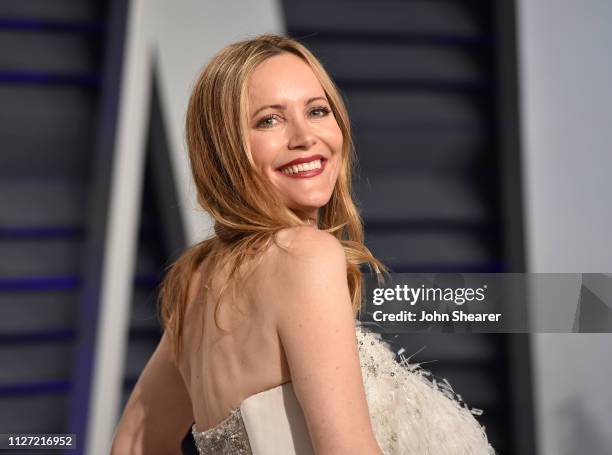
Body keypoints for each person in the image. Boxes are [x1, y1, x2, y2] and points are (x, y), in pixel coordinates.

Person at [111, 34, 495, 455]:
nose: (305, 137)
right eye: (268, 120)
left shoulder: (196, 278)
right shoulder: (304, 256)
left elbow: (134, 443)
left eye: (317, 111)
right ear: (223, 149)